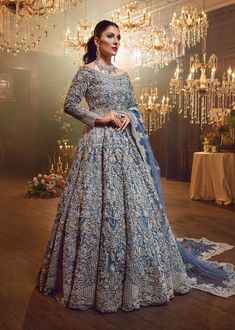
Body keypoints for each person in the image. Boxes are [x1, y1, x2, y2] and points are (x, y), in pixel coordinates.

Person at [37, 20, 235, 313]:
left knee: (137, 207)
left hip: (126, 148)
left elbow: (133, 105)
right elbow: (70, 104)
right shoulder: (87, 73)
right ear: (96, 40)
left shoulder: (124, 75)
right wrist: (100, 118)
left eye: (119, 37)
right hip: (97, 148)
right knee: (97, 209)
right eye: (110, 36)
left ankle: (143, 274)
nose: (116, 41)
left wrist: (130, 115)